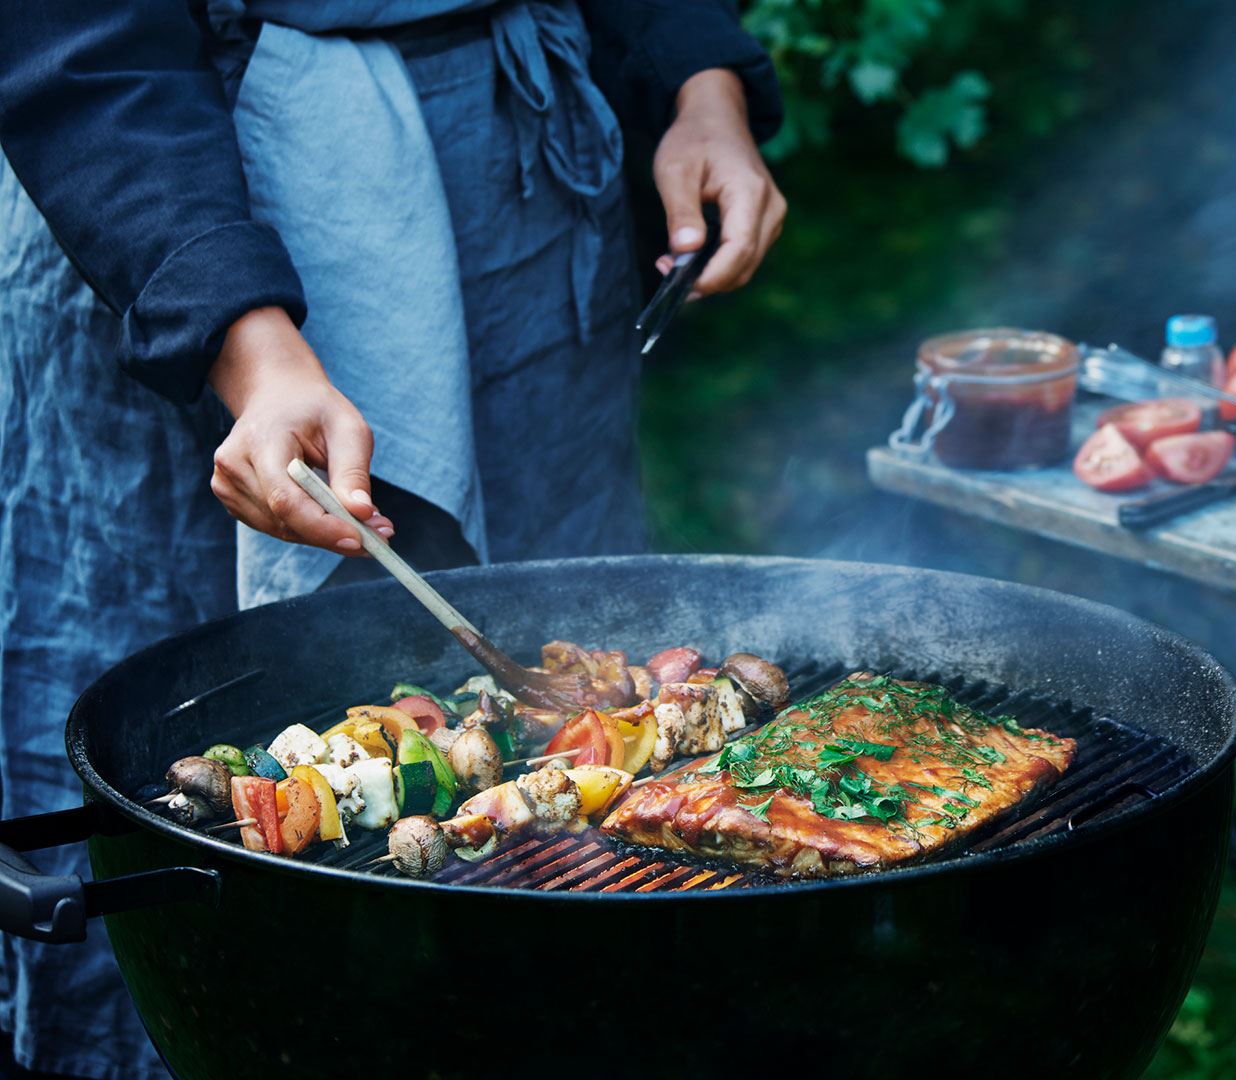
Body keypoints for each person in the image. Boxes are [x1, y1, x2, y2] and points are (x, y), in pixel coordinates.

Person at [0, 1, 784, 1074]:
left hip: (523, 189)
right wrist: (245, 345)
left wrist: (700, 80)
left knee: (563, 663)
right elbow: (73, 34)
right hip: (162, 208)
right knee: (196, 713)